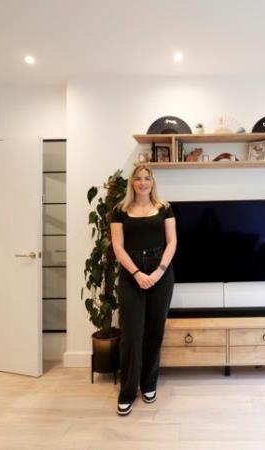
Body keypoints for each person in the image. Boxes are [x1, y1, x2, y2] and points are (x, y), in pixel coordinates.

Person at [109, 163, 177, 416]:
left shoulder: (165, 208)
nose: (142, 182)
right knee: (131, 335)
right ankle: (127, 392)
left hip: (161, 271)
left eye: (147, 178)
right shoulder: (120, 210)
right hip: (131, 274)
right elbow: (118, 247)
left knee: (154, 332)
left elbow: (172, 242)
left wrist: (158, 271)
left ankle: (148, 384)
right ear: (132, 183)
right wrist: (137, 274)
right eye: (138, 178)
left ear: (152, 182)